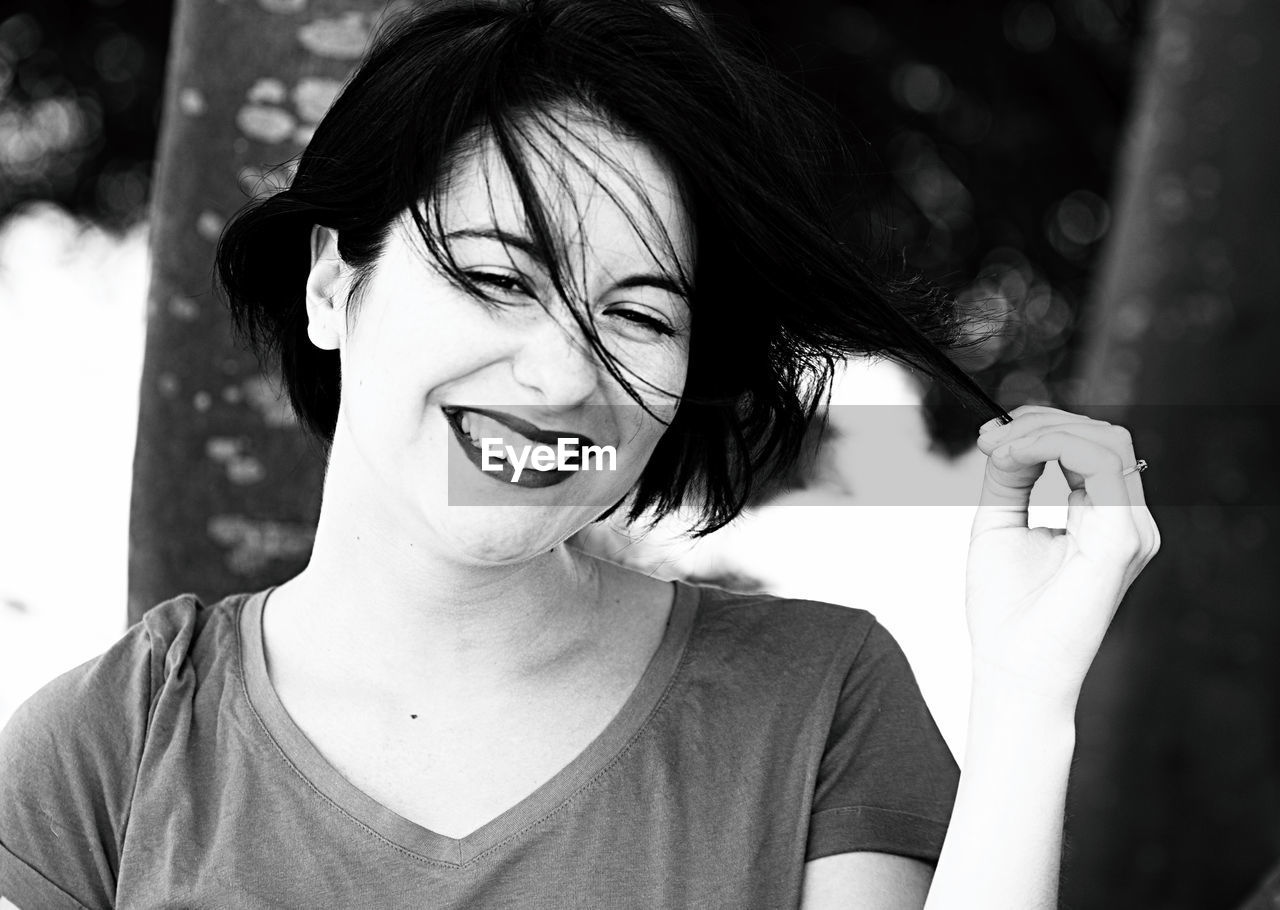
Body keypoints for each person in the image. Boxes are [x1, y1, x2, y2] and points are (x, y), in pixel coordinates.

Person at [0, 1, 1160, 907]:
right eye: (498, 277)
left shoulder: (817, 703)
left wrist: (1024, 695)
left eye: (641, 314)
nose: (562, 378)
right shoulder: (109, 745)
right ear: (329, 282)